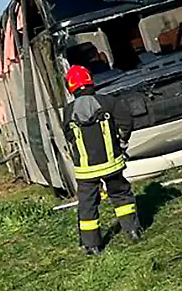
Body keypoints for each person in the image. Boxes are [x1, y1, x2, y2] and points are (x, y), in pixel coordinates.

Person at [61, 65, 143, 255]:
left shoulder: (68, 111)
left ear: (70, 87)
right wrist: (121, 142)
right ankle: (132, 230)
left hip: (85, 170)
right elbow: (126, 123)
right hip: (111, 163)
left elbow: (68, 135)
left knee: (87, 204)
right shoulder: (109, 102)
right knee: (121, 195)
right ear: (90, 80)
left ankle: (92, 245)